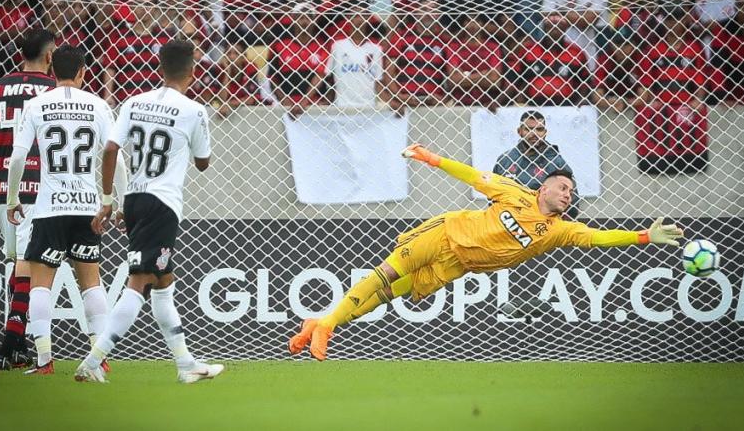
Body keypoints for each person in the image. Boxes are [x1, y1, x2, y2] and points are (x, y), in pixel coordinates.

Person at [288, 143, 683, 361]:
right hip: (445, 233)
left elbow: (599, 237)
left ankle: (319, 322)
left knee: (389, 296)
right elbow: (473, 175)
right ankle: (326, 327)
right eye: (563, 187)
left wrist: (644, 236)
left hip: (456, 264)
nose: (568, 193)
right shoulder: (514, 191)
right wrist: (431, 159)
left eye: (571, 191)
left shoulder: (561, 231)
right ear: (544, 188)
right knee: (386, 274)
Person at [75, 40, 223, 384]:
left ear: (159, 68)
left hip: (136, 200)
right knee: (140, 282)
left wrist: (109, 199)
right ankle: (94, 359)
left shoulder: (133, 102)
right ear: (193, 71)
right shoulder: (193, 110)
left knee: (163, 283)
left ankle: (186, 364)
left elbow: (111, 148)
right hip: (163, 203)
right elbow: (203, 163)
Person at [6, 45, 127, 375]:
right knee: (92, 282)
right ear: (83, 72)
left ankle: (44, 359)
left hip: (49, 208)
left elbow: (17, 157)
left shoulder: (35, 105)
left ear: (50, 70)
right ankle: (98, 357)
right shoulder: (99, 106)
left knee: (40, 284)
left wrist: (11, 198)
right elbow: (114, 159)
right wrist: (117, 202)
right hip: (88, 207)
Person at [0, 28, 58, 371]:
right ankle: (9, 345)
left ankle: (16, 344)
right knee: (28, 266)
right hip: (38, 188)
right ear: (50, 56)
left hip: (2, 188)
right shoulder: (53, 89)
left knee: (14, 262)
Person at [493, 110, 579, 218]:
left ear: (545, 132)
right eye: (528, 129)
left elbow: (572, 204)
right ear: (519, 131)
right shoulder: (504, 160)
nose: (534, 134)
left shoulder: (556, 162)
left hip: (541, 227)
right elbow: (493, 195)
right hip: (507, 224)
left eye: (539, 129)